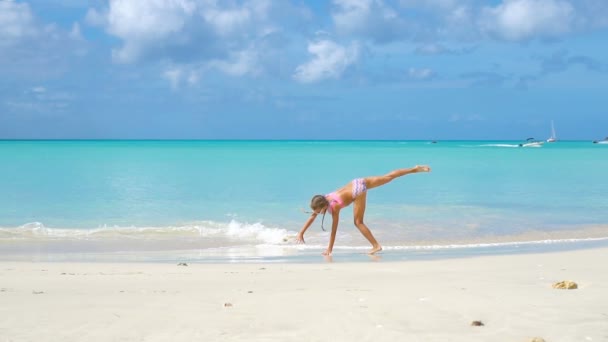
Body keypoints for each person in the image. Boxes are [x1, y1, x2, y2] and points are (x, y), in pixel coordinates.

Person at [296, 165, 431, 255]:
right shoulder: (324, 198)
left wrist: (329, 249)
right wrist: (301, 233)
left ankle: (376, 245)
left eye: (319, 211)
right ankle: (414, 169)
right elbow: (312, 216)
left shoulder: (335, 207)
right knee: (388, 176)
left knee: (358, 222)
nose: (318, 213)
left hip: (358, 191)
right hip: (357, 182)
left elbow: (334, 230)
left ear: (323, 206)